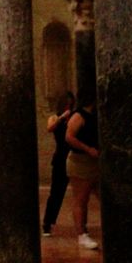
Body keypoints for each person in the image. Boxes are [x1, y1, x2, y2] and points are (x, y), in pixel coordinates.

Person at [65, 89, 100, 250]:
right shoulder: (79, 115)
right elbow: (69, 137)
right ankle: (82, 234)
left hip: (95, 162)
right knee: (81, 199)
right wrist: (88, 149)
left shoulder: (95, 115)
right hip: (80, 162)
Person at [42, 91, 75, 236]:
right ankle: (47, 223)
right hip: (61, 158)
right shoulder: (55, 118)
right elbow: (50, 127)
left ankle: (82, 225)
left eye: (71, 103)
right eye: (67, 103)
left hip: (74, 156)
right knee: (56, 193)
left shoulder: (75, 118)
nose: (69, 106)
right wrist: (62, 117)